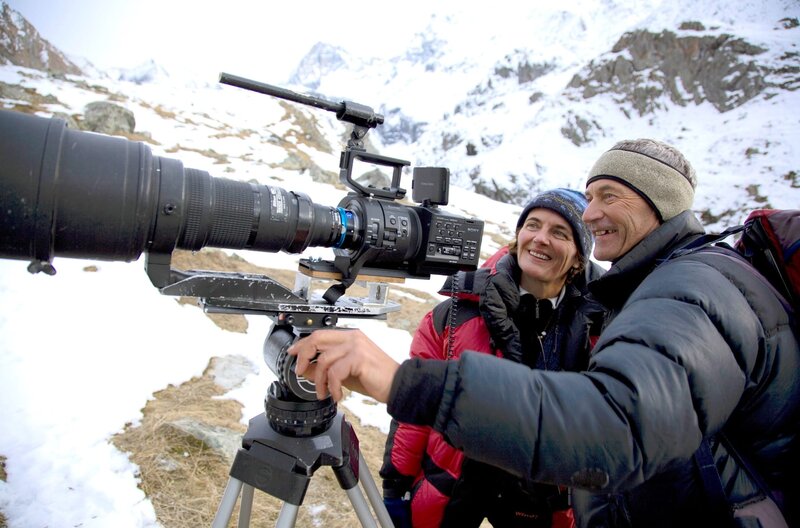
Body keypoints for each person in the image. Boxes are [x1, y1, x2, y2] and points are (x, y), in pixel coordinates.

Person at [289, 139, 800, 527]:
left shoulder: (686, 291)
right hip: (458, 492)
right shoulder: (461, 310)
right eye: (534, 225)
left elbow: (612, 425)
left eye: (607, 197)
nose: (592, 211)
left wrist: (403, 381)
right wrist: (398, 483)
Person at [379, 189, 606, 528]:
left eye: (559, 233)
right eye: (533, 225)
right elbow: (416, 409)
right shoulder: (454, 315)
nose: (540, 239)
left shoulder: (599, 328)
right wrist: (396, 482)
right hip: (454, 480)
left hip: (543, 494)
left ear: (578, 258)